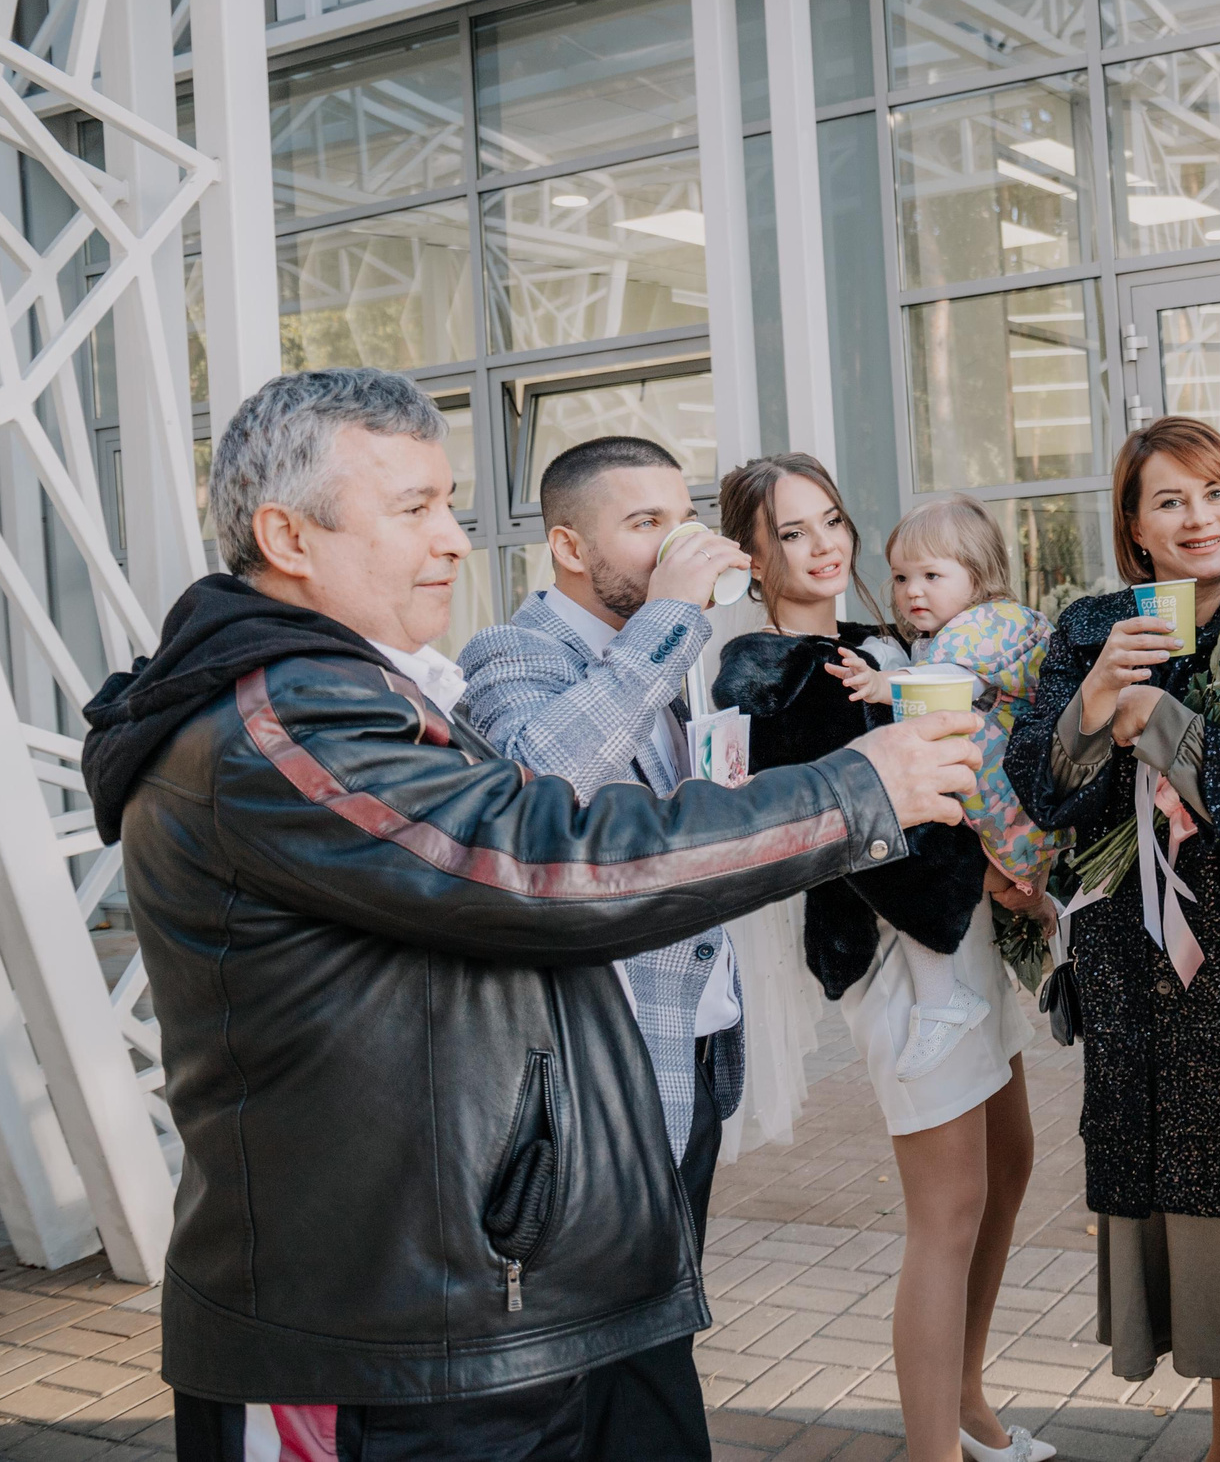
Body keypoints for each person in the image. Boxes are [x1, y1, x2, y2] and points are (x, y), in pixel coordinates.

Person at [77, 369, 977, 1459]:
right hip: (376, 1335)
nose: (452, 541)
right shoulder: (284, 719)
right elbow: (535, 858)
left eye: (448, 506)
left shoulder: (350, 687)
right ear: (288, 535)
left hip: (467, 1286)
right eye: (412, 510)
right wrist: (855, 791)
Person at [1003, 417, 1220, 1462]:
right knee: (1188, 1218)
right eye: (1170, 501)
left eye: (1216, 493)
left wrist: (1150, 720)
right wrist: (1100, 693)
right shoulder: (1091, 626)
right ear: (1135, 530)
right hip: (1133, 975)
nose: (1199, 518)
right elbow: (1043, 794)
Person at [711, 455, 1053, 1462]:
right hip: (908, 951)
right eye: (793, 533)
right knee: (945, 1210)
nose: (825, 547)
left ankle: (967, 1400)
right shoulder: (769, 671)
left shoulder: (879, 642)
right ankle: (930, 1448)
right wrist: (978, 873)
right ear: (753, 555)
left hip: (967, 934)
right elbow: (839, 837)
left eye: (831, 522)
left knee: (1012, 1159)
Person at [453, 435, 754, 1459]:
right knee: (618, 1351)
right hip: (595, 1069)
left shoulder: (662, 652)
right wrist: (672, 616)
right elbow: (539, 782)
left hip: (690, 1042)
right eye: (645, 524)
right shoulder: (513, 654)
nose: (677, 543)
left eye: (681, 515)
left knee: (656, 1323)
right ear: (570, 547)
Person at [831, 493, 1070, 1041]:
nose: (912, 590)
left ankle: (1045, 915)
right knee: (1012, 886)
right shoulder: (956, 633)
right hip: (1012, 793)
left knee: (998, 877)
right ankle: (1046, 915)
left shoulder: (984, 627)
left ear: (978, 575)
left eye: (932, 575)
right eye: (899, 577)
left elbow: (950, 686)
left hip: (1006, 792)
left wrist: (879, 684)